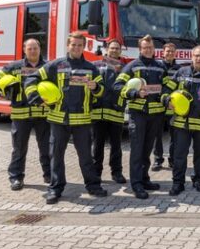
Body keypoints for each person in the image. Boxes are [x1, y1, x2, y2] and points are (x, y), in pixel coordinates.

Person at [25, 32, 107, 204]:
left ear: (83, 46)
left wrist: (96, 87)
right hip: (58, 120)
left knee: (86, 157)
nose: (76, 48)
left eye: (79, 45)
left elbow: (102, 92)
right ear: (68, 45)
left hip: (83, 121)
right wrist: (36, 99)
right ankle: (55, 189)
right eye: (73, 45)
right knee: (56, 156)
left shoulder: (91, 68)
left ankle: (93, 186)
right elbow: (32, 78)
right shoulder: (56, 65)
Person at [0, 38, 50, 191]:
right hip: (21, 115)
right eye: (30, 48)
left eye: (35, 48)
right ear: (24, 50)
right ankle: (16, 178)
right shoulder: (13, 67)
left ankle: (49, 175)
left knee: (47, 147)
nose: (33, 51)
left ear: (40, 49)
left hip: (43, 115)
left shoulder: (48, 67)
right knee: (19, 149)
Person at [162, 45, 200, 195]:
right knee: (179, 154)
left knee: (199, 154)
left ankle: (198, 180)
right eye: (196, 55)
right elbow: (167, 90)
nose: (199, 58)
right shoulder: (181, 72)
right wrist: (167, 99)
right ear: (192, 57)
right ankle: (178, 183)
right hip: (181, 122)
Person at [113, 35, 167, 200]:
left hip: (155, 115)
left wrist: (166, 97)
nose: (148, 50)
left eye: (150, 47)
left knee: (147, 149)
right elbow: (117, 86)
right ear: (140, 49)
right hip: (138, 115)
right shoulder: (132, 66)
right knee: (136, 151)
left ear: (153, 48)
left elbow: (167, 87)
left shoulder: (160, 67)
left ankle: (144, 179)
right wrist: (135, 93)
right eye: (145, 48)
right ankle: (136, 184)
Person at [91, 40, 127, 184]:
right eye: (112, 48)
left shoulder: (124, 68)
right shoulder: (95, 65)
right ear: (106, 49)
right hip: (98, 111)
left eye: (117, 48)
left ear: (120, 51)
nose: (114, 50)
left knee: (116, 145)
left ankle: (116, 172)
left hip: (116, 111)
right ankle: (96, 173)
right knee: (97, 145)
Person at [152, 43, 181, 171]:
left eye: (172, 51)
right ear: (162, 52)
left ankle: (173, 159)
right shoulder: (157, 67)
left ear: (176, 53)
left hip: (173, 106)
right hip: (158, 105)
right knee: (157, 134)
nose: (170, 53)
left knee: (174, 135)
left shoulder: (180, 69)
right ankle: (158, 160)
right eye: (167, 51)